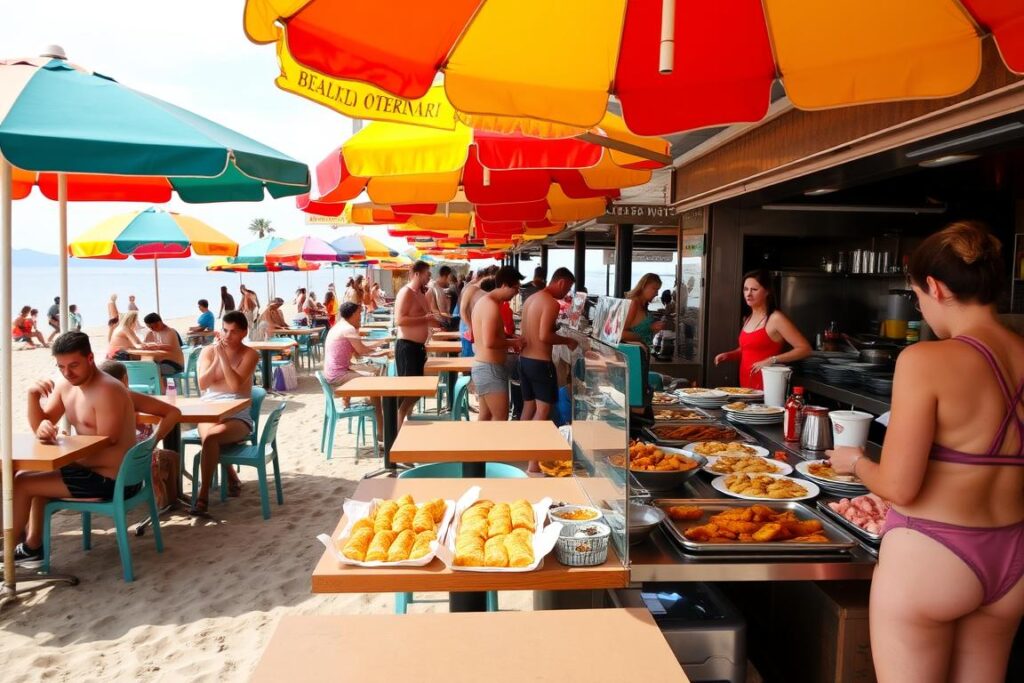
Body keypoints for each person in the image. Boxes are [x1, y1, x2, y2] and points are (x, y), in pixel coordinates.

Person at [827, 222, 1024, 682]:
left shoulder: (924, 360)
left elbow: (900, 486)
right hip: (1013, 558)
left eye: (917, 296)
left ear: (933, 287)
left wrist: (855, 461)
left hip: (933, 553)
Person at [8, 332, 136, 567]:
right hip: (94, 471)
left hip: (115, 479)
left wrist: (65, 458)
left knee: (23, 483)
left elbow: (108, 447)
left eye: (73, 365)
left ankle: (6, 552)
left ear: (90, 358)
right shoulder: (67, 385)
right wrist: (33, 398)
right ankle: (32, 547)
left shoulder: (108, 390)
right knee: (24, 477)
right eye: (61, 367)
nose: (67, 372)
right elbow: (40, 426)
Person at [192, 311, 260, 516]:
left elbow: (233, 386)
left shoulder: (250, 354)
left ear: (244, 333)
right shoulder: (207, 352)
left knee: (212, 438)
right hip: (209, 410)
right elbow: (203, 383)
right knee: (209, 439)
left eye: (233, 332)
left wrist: (222, 356)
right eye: (225, 330)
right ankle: (231, 475)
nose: (227, 336)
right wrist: (216, 358)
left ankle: (202, 496)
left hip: (237, 413)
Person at [99, 360, 183, 509]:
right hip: (130, 460)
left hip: (116, 460)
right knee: (169, 457)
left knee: (169, 456)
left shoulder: (100, 398)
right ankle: (169, 500)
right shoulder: (126, 396)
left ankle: (173, 497)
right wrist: (154, 440)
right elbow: (172, 413)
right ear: (125, 378)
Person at [713, 269, 811, 390]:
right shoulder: (748, 318)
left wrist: (772, 360)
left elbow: (805, 349)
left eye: (754, 289)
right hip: (746, 389)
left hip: (768, 388)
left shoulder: (776, 318)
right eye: (745, 289)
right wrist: (729, 355)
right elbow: (747, 349)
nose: (748, 294)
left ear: (767, 291)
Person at [519, 267, 579, 426]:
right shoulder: (551, 303)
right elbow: (544, 336)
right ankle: (532, 450)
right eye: (568, 288)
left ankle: (518, 446)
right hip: (540, 363)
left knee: (528, 407)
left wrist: (555, 328)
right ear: (561, 282)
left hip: (524, 360)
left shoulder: (531, 299)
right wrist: (568, 341)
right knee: (543, 410)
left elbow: (533, 330)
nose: (567, 293)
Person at [323, 301, 388, 432]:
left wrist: (380, 345)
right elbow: (362, 350)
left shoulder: (339, 326)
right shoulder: (348, 329)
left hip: (332, 372)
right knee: (377, 386)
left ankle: (368, 404)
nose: (360, 316)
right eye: (359, 313)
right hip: (338, 375)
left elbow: (359, 350)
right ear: (352, 314)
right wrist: (383, 347)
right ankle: (382, 431)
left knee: (374, 374)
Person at [470, 266, 523, 421]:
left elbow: (488, 335)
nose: (517, 292)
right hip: (490, 369)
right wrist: (515, 341)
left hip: (483, 367)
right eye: (516, 288)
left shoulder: (485, 302)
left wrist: (508, 337)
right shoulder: (490, 305)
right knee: (500, 420)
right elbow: (490, 341)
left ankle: (478, 446)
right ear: (505, 285)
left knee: (486, 416)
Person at [394, 261, 444, 427]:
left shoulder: (421, 294)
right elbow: (399, 320)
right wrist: (425, 319)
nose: (429, 277)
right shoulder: (406, 292)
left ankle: (404, 421)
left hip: (418, 348)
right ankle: (398, 426)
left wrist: (437, 324)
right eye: (427, 274)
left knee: (416, 390)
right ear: (417, 274)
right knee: (409, 390)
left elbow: (425, 318)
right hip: (407, 347)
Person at [458, 265, 497, 357]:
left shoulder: (479, 288)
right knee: (468, 361)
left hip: (472, 329)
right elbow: (463, 311)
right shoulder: (471, 288)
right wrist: (471, 327)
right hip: (468, 329)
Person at [142, 312, 185, 377]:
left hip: (175, 365)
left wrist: (155, 346)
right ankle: (159, 386)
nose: (152, 329)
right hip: (161, 363)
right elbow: (144, 345)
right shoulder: (152, 332)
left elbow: (169, 347)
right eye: (149, 327)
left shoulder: (170, 332)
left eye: (152, 327)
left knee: (151, 371)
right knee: (145, 368)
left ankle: (160, 387)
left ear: (159, 322)